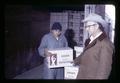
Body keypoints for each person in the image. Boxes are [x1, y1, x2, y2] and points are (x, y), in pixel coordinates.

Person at [73, 13, 114, 79]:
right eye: (86, 27)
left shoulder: (105, 44)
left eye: (88, 26)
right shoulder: (90, 40)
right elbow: (85, 54)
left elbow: (104, 71)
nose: (86, 29)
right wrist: (75, 61)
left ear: (96, 26)